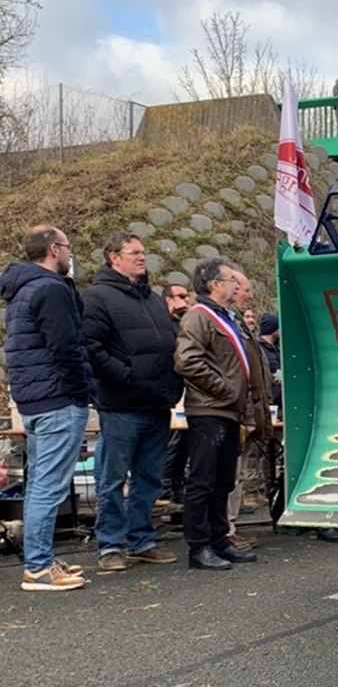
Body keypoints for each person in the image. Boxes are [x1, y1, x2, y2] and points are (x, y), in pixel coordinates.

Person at [82, 234, 182, 572]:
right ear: (114, 258)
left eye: (144, 252)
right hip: (122, 404)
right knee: (112, 479)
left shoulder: (154, 299)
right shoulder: (97, 297)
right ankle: (110, 545)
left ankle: (142, 541)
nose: (142, 257)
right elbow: (91, 347)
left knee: (149, 478)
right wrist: (124, 375)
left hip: (157, 402)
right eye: (134, 253)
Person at [0, 225, 92, 591]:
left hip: (35, 398)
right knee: (48, 486)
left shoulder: (21, 290)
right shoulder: (52, 288)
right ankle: (38, 567)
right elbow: (65, 346)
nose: (71, 254)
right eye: (68, 247)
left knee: (41, 481)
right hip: (58, 398)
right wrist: (79, 390)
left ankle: (42, 558)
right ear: (55, 249)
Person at [174, 258, 258, 570]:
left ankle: (220, 538)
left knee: (224, 480)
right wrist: (223, 389)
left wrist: (244, 407)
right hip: (209, 409)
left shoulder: (227, 317)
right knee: (203, 479)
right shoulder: (200, 317)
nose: (236, 286)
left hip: (229, 411)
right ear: (215, 285)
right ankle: (199, 546)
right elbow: (187, 361)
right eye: (230, 280)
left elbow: (242, 368)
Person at [225, 272, 272, 551]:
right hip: (232, 407)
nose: (248, 295)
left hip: (246, 407)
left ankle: (230, 525)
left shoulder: (239, 321)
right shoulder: (220, 320)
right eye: (244, 289)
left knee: (238, 473)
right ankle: (224, 528)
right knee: (230, 473)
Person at [160, 284, 191, 505]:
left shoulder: (183, 325)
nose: (186, 300)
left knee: (184, 443)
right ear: (169, 300)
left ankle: (177, 483)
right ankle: (165, 484)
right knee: (173, 441)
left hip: (185, 387)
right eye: (181, 296)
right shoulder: (162, 325)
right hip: (169, 387)